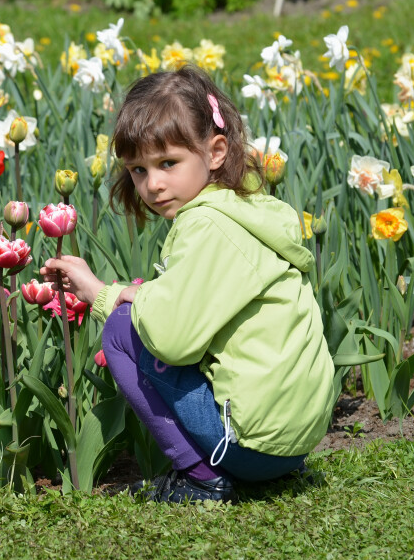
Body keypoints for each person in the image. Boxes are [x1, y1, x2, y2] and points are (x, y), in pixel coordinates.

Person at [42, 66, 335, 504]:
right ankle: (242, 471)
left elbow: (172, 342)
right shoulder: (249, 210)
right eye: (138, 170)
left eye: (167, 163)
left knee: (122, 329)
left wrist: (107, 297)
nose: (152, 184)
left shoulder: (207, 228)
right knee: (136, 310)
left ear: (216, 152)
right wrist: (122, 289)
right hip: (295, 442)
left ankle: (201, 480)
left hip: (251, 447)